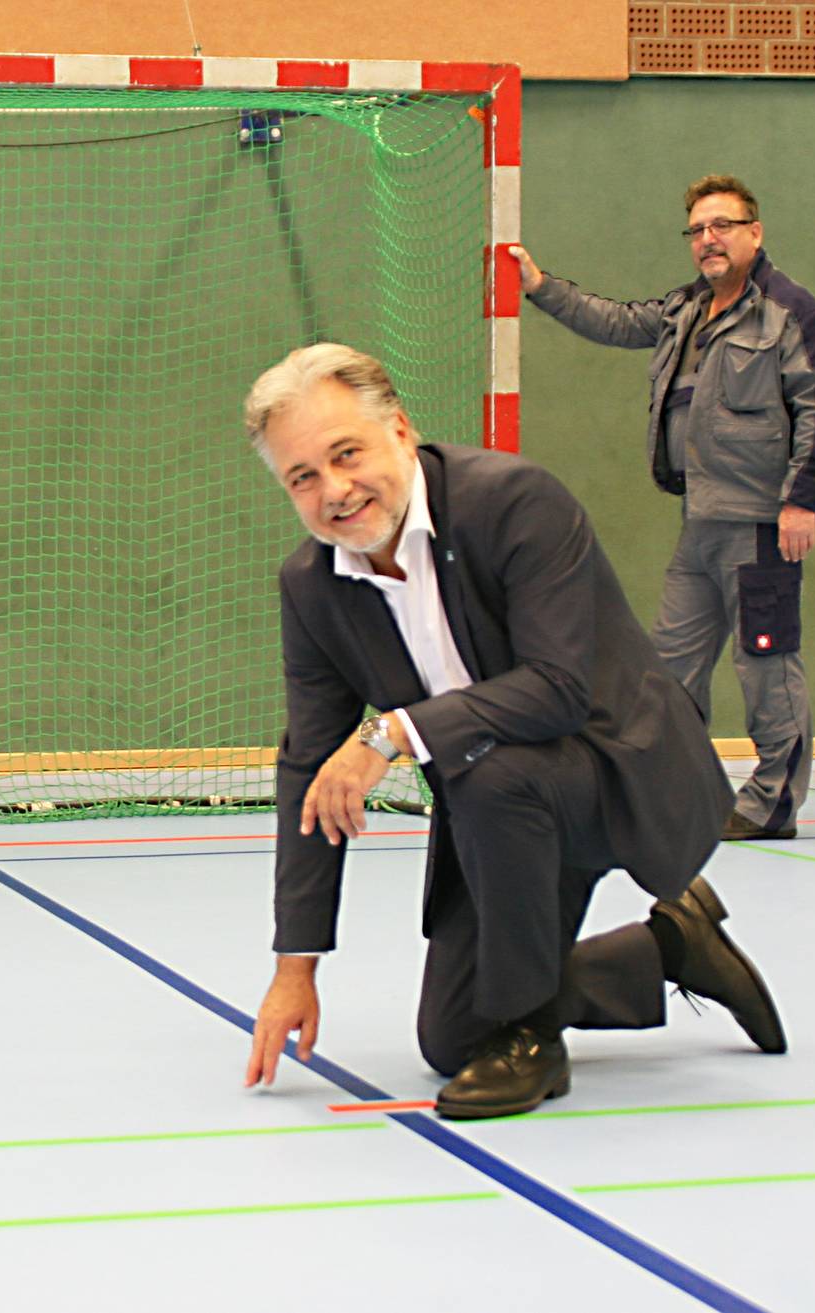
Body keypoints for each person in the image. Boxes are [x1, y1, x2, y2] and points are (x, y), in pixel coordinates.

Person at [239, 343, 785, 1120]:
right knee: (454, 1035)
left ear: (399, 430)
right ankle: (671, 946)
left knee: (489, 773)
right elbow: (307, 773)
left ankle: (533, 1038)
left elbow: (557, 690)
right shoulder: (313, 586)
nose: (334, 490)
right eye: (303, 477)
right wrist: (297, 965)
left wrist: (392, 732)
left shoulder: (515, 500)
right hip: (503, 816)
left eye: (346, 453)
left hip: (616, 773)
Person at [511, 175, 815, 841]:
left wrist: (800, 502)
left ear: (755, 232)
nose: (708, 239)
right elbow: (614, 319)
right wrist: (540, 287)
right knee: (668, 670)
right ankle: (677, 795)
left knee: (766, 665)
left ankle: (771, 803)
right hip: (700, 522)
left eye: (721, 225)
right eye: (697, 229)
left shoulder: (789, 312)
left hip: (759, 526)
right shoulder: (685, 311)